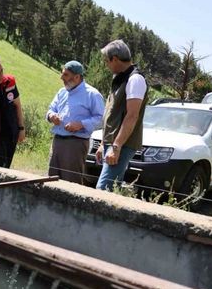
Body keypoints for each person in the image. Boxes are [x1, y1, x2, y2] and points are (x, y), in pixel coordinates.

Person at [95, 40, 149, 191]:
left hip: (122, 144)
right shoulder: (120, 78)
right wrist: (102, 144)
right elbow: (112, 113)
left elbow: (132, 116)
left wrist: (116, 147)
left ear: (115, 59)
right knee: (111, 188)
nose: (107, 65)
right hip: (112, 143)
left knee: (104, 189)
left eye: (107, 61)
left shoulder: (135, 79)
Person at [46, 60, 105, 184]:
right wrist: (52, 116)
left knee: (71, 182)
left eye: (66, 75)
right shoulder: (62, 92)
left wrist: (81, 124)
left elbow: (101, 119)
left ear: (77, 77)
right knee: (52, 179)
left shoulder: (92, 95)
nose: (61, 77)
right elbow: (51, 109)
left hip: (76, 143)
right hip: (57, 141)